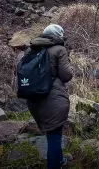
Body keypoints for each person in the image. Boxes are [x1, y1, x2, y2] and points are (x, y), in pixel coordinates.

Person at [26, 24, 73, 169]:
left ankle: (60, 159)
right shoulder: (59, 49)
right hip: (52, 98)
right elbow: (66, 75)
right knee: (54, 136)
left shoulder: (31, 49)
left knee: (51, 131)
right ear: (58, 35)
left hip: (33, 99)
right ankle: (55, 163)